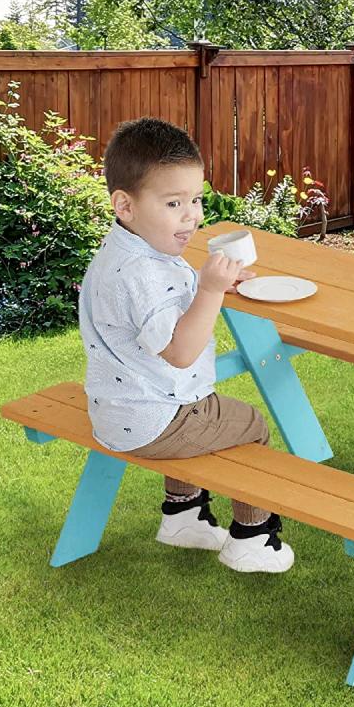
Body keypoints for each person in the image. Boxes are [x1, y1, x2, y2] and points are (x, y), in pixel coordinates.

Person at [79, 117, 294, 573]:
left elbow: (162, 310)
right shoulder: (144, 273)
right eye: (173, 202)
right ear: (125, 205)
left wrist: (210, 286)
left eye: (195, 199)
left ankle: (183, 515)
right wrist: (212, 292)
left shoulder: (127, 254)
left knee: (209, 414)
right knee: (248, 423)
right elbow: (180, 352)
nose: (192, 215)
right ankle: (252, 539)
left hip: (117, 410)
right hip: (155, 417)